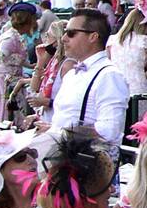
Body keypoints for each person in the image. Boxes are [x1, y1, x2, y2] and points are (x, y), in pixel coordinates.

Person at [45, 9, 130, 148]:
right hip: (62, 157)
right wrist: (49, 128)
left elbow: (109, 130)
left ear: (93, 37)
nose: (64, 38)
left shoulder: (109, 75)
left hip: (90, 163)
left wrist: (58, 133)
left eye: (71, 33)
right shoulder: (72, 73)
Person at [0, 1, 37, 123]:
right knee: (1, 120)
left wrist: (30, 65)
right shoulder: (9, 38)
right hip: (0, 82)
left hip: (8, 81)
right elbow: (1, 59)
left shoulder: (16, 36)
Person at [106, 0, 147, 97]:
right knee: (141, 114)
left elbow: (107, 65)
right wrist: (139, 76)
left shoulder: (112, 40)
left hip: (115, 88)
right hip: (139, 89)